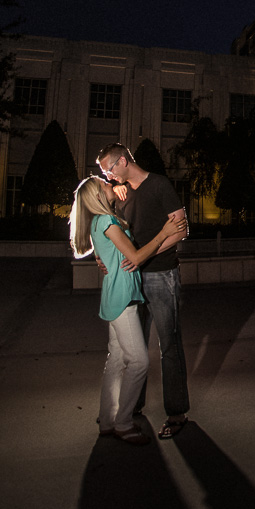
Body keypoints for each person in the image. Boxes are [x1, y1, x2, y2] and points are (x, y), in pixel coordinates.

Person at [69, 176, 185, 445]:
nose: (110, 183)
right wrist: (165, 232)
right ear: (98, 195)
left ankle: (108, 420)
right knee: (139, 362)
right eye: (104, 184)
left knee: (116, 360)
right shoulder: (107, 222)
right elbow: (135, 257)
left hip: (113, 295)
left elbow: (113, 254)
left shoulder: (100, 222)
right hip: (123, 299)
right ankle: (123, 422)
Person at [97, 142, 191, 440]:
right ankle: (131, 407)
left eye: (109, 170)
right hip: (132, 279)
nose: (107, 177)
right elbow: (101, 220)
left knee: (169, 345)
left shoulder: (159, 185)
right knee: (132, 349)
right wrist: (102, 258)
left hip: (162, 275)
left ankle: (176, 413)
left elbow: (181, 230)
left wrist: (143, 256)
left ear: (123, 161)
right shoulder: (119, 193)